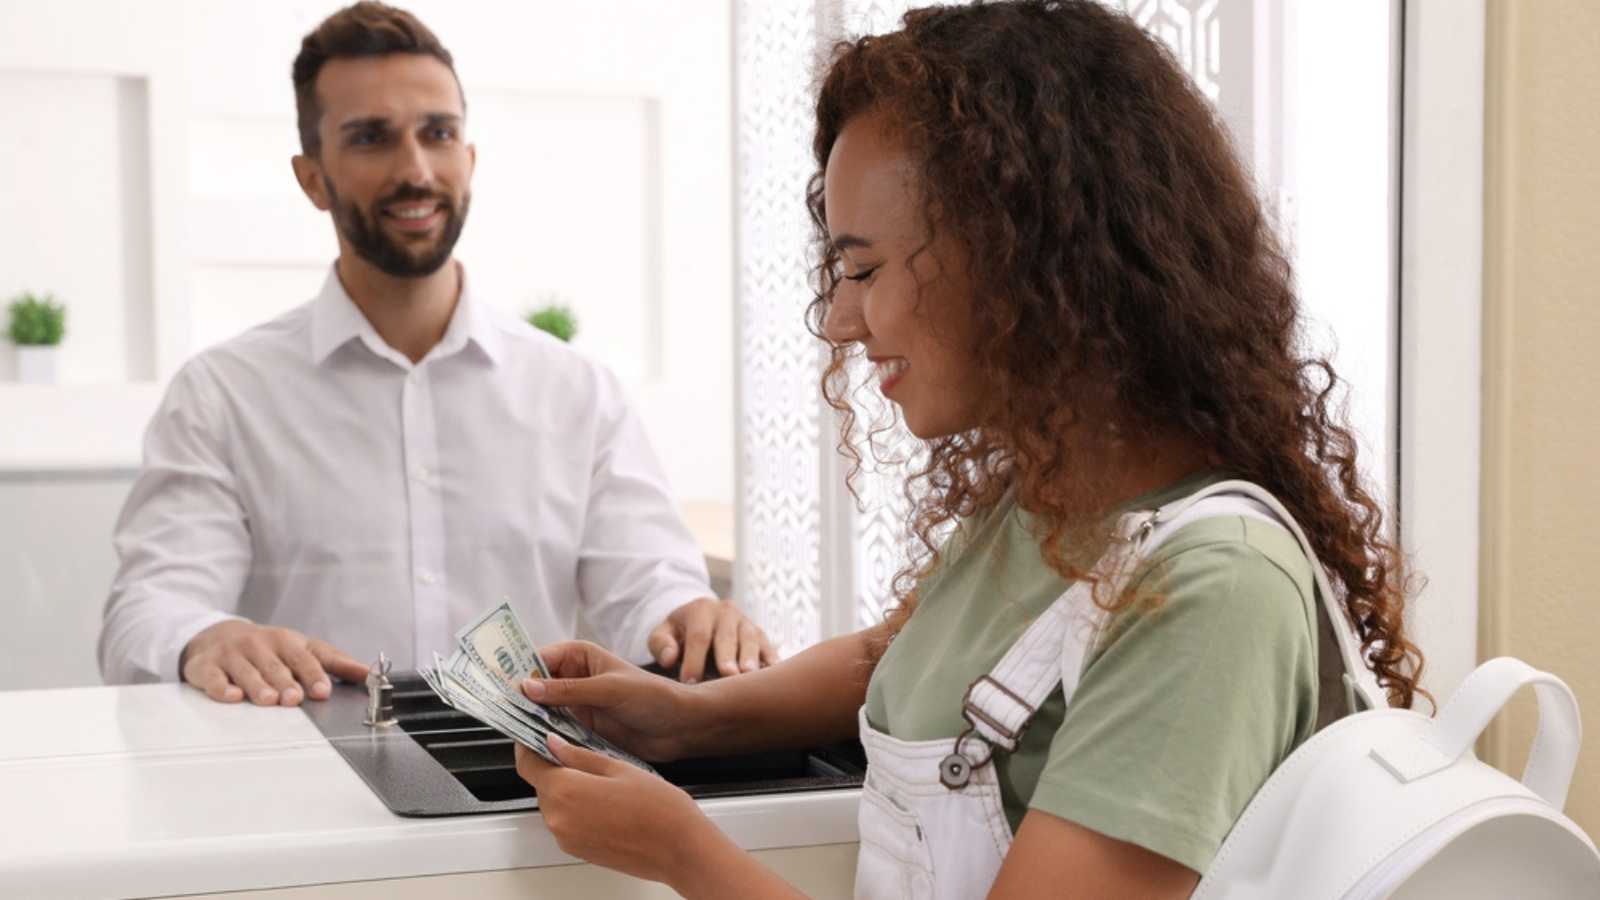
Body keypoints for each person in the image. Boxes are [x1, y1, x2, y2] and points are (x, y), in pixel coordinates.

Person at [509, 1, 1426, 897]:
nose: (837, 321)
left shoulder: (1213, 591)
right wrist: (682, 719)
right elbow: (898, 658)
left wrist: (681, 853)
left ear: (1024, 258)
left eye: (862, 270)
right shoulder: (1048, 499)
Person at [98, 1, 774, 706]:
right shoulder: (223, 395)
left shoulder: (576, 392)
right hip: (302, 796)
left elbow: (649, 591)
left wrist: (690, 623)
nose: (415, 169)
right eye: (370, 138)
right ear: (312, 178)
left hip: (532, 796)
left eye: (438, 133)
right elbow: (146, 615)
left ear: (469, 159)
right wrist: (205, 636)